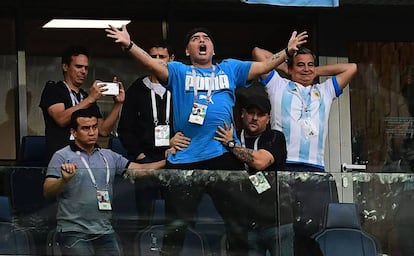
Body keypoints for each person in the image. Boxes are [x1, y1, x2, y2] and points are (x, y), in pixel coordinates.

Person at [105, 25, 307, 256]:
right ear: (188, 50)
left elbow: (264, 65)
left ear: (212, 48)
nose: (201, 40)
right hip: (185, 159)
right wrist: (129, 44)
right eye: (195, 38)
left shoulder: (230, 69)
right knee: (175, 229)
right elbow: (151, 64)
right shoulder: (179, 71)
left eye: (206, 38)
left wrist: (288, 52)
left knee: (237, 224)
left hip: (221, 155)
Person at [252, 46, 357, 256]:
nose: (306, 69)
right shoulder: (278, 85)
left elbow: (351, 68)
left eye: (310, 64)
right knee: (285, 231)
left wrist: (315, 71)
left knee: (309, 233)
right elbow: (258, 53)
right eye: (300, 65)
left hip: (315, 172)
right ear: (290, 69)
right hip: (284, 170)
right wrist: (285, 66)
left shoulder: (325, 91)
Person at [43, 108, 165, 256]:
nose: (91, 132)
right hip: (73, 231)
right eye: (85, 128)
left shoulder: (108, 155)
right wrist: (63, 180)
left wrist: (168, 161)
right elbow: (47, 191)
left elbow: (140, 170)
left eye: (94, 127)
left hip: (104, 230)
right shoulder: (61, 156)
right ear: (74, 132)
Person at [214, 94, 293, 256]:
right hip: (244, 225)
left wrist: (230, 145)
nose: (255, 118)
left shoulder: (275, 137)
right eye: (251, 112)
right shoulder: (233, 136)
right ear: (242, 113)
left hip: (277, 223)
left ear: (268, 118)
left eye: (261, 114)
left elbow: (260, 162)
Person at [116, 40, 177, 228]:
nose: (157, 61)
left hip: (174, 158)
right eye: (153, 57)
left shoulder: (179, 87)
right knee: (144, 216)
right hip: (146, 160)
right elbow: (125, 128)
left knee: (175, 215)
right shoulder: (137, 88)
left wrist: (178, 146)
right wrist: (139, 155)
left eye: (162, 57)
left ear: (171, 59)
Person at [39, 45, 125, 162]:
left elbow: (103, 131)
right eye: (79, 66)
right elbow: (61, 119)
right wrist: (90, 99)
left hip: (87, 157)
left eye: (86, 68)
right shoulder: (54, 89)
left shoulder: (86, 96)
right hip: (62, 158)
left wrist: (118, 104)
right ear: (65, 66)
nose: (83, 71)